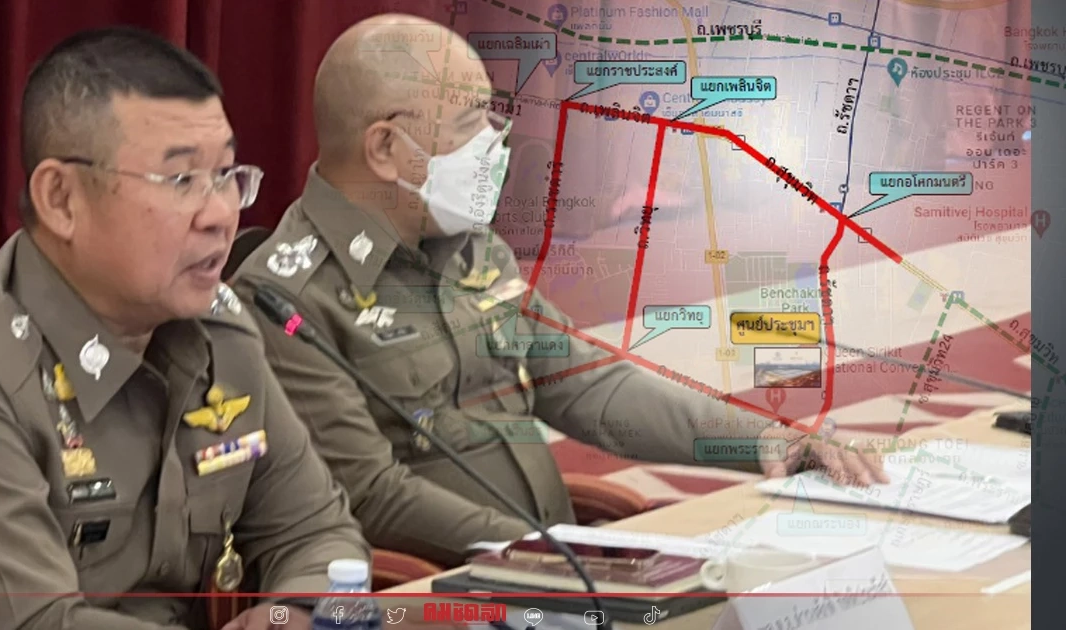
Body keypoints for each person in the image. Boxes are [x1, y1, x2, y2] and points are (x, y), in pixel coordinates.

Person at [229, 14, 888, 569]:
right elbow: (371, 497)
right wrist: (562, 559)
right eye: (469, 122)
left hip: (557, 570)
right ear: (384, 148)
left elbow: (587, 384)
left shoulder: (465, 246)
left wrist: (763, 439)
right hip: (458, 590)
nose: (494, 143)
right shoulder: (286, 300)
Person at [0, 27, 369, 630]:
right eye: (181, 180)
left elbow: (317, 531)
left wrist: (294, 616)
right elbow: (42, 623)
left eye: (226, 175)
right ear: (61, 199)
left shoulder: (222, 329)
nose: (221, 214)